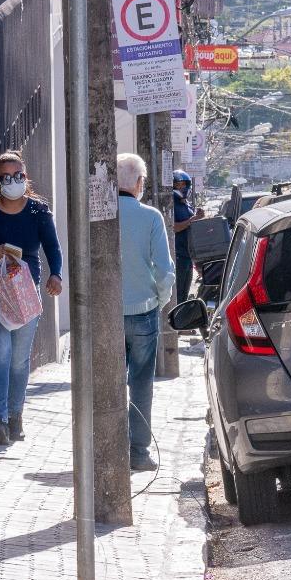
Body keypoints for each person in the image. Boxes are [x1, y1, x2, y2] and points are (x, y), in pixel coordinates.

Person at [0, 151, 64, 446]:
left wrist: (55, 275)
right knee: (0, 354)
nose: (13, 182)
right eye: (6, 177)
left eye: (18, 176)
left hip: (25, 293)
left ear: (25, 177)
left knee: (20, 360)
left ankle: (15, 416)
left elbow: (52, 249)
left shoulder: (39, 212)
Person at [118, 153, 175, 472]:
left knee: (108, 382)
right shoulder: (152, 217)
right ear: (139, 183)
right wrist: (159, 300)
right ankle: (138, 452)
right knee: (141, 382)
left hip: (106, 314)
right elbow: (165, 271)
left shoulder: (99, 213)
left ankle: (109, 447)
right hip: (144, 312)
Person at [171, 169, 204, 304]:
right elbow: (173, 227)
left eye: (183, 185)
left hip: (188, 254)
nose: (181, 187)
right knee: (178, 294)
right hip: (178, 255)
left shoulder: (185, 203)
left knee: (185, 292)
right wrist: (193, 219)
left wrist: (199, 217)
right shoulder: (171, 203)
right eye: (178, 185)